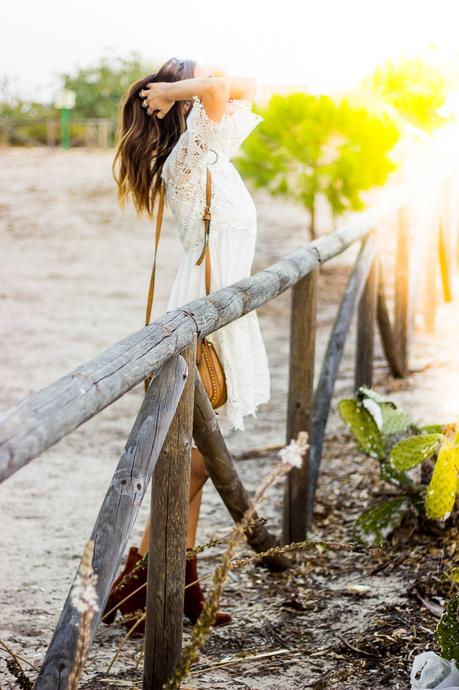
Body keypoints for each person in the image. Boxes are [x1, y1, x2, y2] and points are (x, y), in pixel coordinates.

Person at [104, 57, 270, 636]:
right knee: (191, 461)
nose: (207, 90)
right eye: (192, 87)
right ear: (182, 107)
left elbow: (246, 82)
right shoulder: (187, 159)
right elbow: (222, 86)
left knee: (194, 462)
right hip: (200, 321)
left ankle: (181, 584)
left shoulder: (214, 148)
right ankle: (139, 582)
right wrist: (174, 88)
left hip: (221, 319)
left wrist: (177, 88)